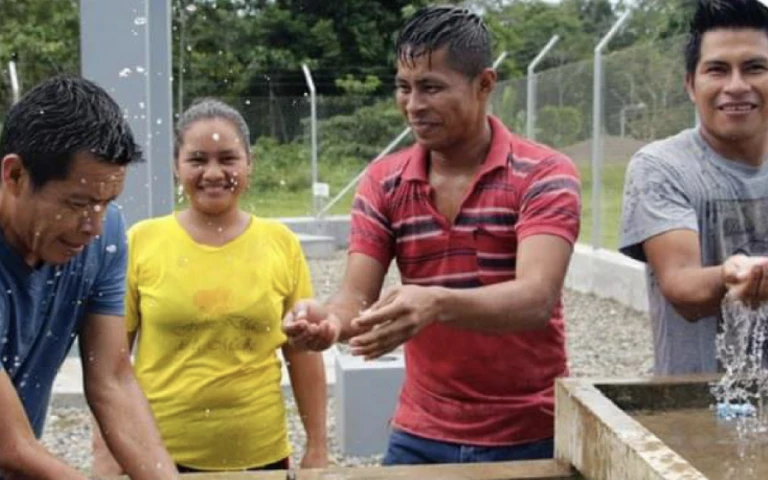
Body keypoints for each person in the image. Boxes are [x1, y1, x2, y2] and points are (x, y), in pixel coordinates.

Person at [283, 5, 581, 465]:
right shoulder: (384, 182)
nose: (414, 105)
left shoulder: (543, 174)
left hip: (530, 431)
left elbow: (536, 299)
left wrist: (437, 302)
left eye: (432, 87)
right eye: (404, 87)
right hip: (420, 432)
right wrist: (326, 323)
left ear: (484, 84)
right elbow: (355, 298)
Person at [92, 98, 328, 475]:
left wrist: (317, 444)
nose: (213, 173)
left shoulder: (280, 243)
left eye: (228, 158)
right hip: (157, 458)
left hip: (261, 456)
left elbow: (302, 354)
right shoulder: (141, 242)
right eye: (198, 160)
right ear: (176, 166)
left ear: (250, 163)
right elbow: (110, 366)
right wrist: (107, 457)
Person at [0, 76, 177, 479]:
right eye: (77, 203)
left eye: (106, 202)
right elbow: (11, 445)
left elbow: (112, 381)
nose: (93, 227)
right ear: (15, 176)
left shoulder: (104, 236)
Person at [619, 0, 768, 375]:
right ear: (691, 84)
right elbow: (681, 286)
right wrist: (730, 275)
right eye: (717, 70)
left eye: (754, 67)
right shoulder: (661, 166)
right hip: (694, 404)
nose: (736, 86)